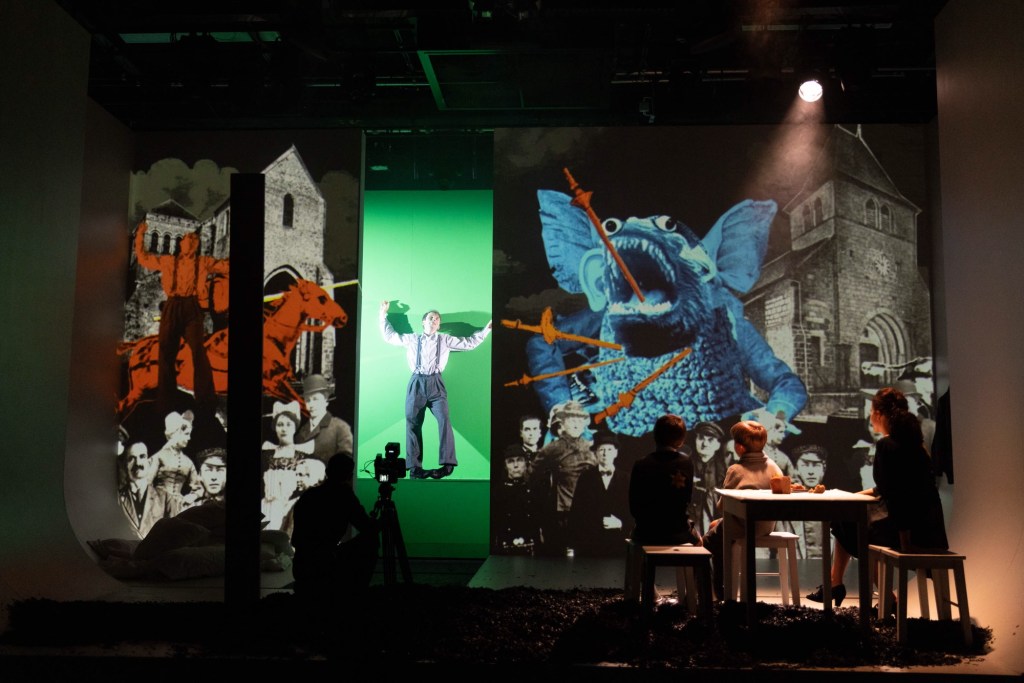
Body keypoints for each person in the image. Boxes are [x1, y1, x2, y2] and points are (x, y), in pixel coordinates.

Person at [807, 386, 949, 608]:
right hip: (929, 530)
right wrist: (849, 496)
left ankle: (850, 588)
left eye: (871, 412)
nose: (870, 418)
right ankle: (840, 584)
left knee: (849, 523)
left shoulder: (887, 446)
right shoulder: (916, 446)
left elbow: (899, 499)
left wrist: (905, 541)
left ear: (879, 414)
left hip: (910, 533)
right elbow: (888, 489)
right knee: (849, 521)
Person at [378, 300, 492, 479]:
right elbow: (390, 336)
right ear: (423, 322)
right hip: (416, 382)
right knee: (412, 423)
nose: (434, 320)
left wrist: (487, 330)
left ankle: (447, 465)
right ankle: (415, 469)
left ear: (439, 325)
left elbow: (469, 343)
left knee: (444, 419)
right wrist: (383, 314)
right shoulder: (412, 339)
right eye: (431, 318)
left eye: (437, 319)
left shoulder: (444, 340)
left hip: (436, 383)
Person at [133, 223, 229, 415]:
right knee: (166, 352)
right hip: (172, 305)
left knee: (198, 352)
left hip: (192, 307)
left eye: (194, 241)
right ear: (181, 244)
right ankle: (165, 402)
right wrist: (140, 235)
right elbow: (143, 257)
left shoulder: (204, 262)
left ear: (197, 246)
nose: (191, 243)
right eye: (187, 240)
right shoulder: (168, 261)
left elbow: (226, 267)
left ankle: (206, 401)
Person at [700, 420, 785, 600]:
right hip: (765, 526)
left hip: (742, 527)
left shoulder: (736, 470)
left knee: (707, 542)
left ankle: (717, 589)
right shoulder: (774, 467)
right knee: (717, 526)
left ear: (739, 448)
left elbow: (723, 507)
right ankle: (721, 587)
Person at [290, 453, 380, 601]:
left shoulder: (308, 496)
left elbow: (296, 540)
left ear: (327, 472)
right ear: (349, 476)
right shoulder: (344, 495)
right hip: (325, 566)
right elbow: (367, 528)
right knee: (370, 541)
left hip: (301, 568)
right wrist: (379, 523)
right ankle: (357, 595)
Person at [530, 400, 597, 555]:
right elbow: (532, 474)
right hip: (564, 512)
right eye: (572, 420)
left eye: (579, 420)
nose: (576, 424)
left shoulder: (590, 448)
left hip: (588, 511)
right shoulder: (553, 448)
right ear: (563, 423)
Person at [628, 414, 700, 547]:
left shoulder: (640, 464)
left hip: (645, 532)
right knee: (700, 542)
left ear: (655, 436)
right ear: (681, 440)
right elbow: (687, 500)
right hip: (678, 531)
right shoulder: (686, 462)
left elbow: (634, 506)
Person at [568, 432, 630, 556]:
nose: (605, 453)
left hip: (618, 546)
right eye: (601, 450)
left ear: (616, 453)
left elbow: (634, 512)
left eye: (609, 449)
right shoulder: (585, 478)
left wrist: (621, 524)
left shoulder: (626, 479)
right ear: (596, 453)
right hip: (591, 545)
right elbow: (577, 512)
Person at [118, 440, 181, 538]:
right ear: (125, 464)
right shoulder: (117, 498)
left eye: (142, 456)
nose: (137, 463)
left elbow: (175, 534)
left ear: (150, 462)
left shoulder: (165, 498)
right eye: (131, 459)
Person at [296, 375, 353, 465]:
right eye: (308, 400)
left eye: (315, 399)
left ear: (326, 401)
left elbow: (346, 463)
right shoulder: (301, 432)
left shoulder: (340, 428)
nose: (311, 405)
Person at [493, 446, 540, 554]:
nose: (515, 465)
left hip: (533, 550)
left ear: (526, 463)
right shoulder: (497, 492)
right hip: (505, 549)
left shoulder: (536, 491)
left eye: (519, 460)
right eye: (510, 461)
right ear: (505, 466)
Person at [688, 421, 729, 537]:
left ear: (718, 445)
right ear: (696, 440)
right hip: (691, 519)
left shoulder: (725, 468)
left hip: (715, 519)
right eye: (701, 438)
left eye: (710, 440)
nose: (705, 444)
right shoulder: (686, 464)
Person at [152, 409, 201, 497]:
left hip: (179, 503)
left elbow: (198, 487)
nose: (189, 438)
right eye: (186, 434)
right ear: (175, 434)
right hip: (158, 501)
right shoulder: (160, 456)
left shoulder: (188, 462)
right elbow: (145, 482)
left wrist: (192, 496)